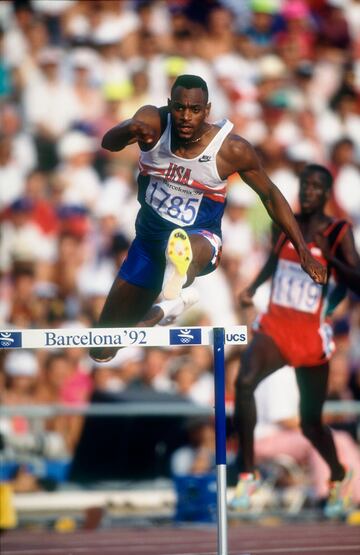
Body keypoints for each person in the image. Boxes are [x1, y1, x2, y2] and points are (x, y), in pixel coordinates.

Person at [90, 74, 325, 363]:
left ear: (208, 110)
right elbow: (108, 144)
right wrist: (130, 128)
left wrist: (301, 248)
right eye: (179, 108)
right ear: (169, 105)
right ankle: (178, 297)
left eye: (195, 110)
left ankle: (179, 282)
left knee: (185, 245)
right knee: (102, 347)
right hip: (147, 246)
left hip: (202, 240)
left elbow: (270, 195)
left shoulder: (230, 150)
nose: (186, 117)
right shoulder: (153, 123)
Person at [231, 164, 360, 517]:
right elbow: (275, 259)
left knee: (310, 424)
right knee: (244, 382)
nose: (308, 192)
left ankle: (338, 473)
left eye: (317, 187)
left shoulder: (337, 231)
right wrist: (253, 288)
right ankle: (247, 471)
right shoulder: (285, 221)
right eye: (305, 185)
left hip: (309, 334)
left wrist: (328, 257)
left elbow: (356, 281)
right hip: (276, 323)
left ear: (327, 193)